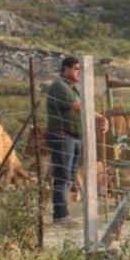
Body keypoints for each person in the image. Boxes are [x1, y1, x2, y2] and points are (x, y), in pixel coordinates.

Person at [43, 56, 85, 225]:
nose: (78, 72)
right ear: (65, 69)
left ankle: (62, 214)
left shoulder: (72, 88)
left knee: (68, 175)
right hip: (62, 136)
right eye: (76, 68)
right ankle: (60, 215)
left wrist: (99, 118)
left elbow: (80, 109)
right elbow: (77, 106)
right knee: (63, 174)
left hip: (72, 136)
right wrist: (97, 115)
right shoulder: (60, 86)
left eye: (79, 69)